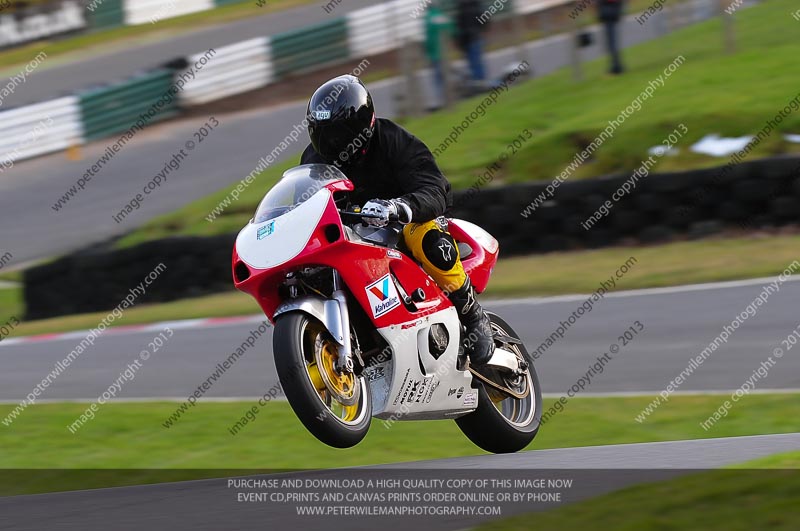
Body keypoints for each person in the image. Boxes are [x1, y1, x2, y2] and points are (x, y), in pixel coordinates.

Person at [300, 74, 495, 366]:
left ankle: (472, 314)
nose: (331, 143)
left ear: (362, 125)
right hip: (351, 236)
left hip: (404, 226)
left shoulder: (394, 141)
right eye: (323, 133)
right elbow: (303, 204)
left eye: (338, 134)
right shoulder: (314, 160)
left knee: (426, 238)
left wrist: (399, 207)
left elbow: (435, 188)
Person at [424, 1, 453, 109]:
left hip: (435, 53)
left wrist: (428, 52)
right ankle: (450, 97)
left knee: (438, 78)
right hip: (445, 51)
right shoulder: (442, 15)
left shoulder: (428, 18)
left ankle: (442, 99)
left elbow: (429, 39)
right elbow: (451, 28)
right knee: (446, 75)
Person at [454, 0, 488, 86]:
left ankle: (480, 82)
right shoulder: (473, 7)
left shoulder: (464, 8)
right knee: (475, 62)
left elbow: (460, 25)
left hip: (470, 39)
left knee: (475, 63)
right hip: (472, 39)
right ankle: (480, 81)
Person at [597, 0, 625, 75]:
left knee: (611, 42)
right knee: (611, 42)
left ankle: (617, 66)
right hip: (610, 11)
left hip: (609, 12)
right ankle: (616, 65)